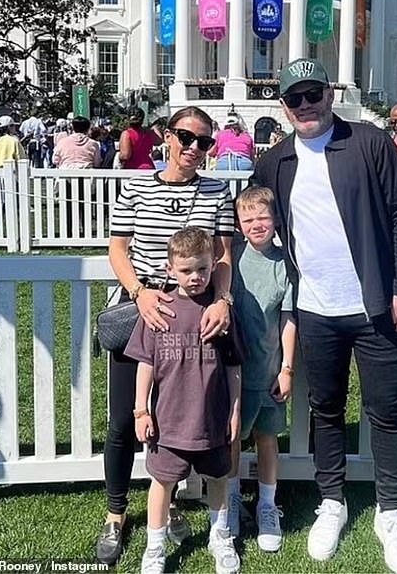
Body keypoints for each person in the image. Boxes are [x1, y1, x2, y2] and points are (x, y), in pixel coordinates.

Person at [252, 58, 397, 573]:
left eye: (314, 95)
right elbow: (254, 222)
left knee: (385, 410)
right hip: (315, 310)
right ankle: (333, 501)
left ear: (330, 94)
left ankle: (390, 512)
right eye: (295, 98)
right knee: (325, 408)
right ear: (284, 106)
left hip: (376, 306)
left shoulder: (369, 143)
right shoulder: (275, 162)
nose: (306, 106)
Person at [97, 106, 235, 566]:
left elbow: (222, 257)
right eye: (185, 137)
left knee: (183, 412)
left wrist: (222, 300)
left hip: (196, 313)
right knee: (125, 420)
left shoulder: (216, 190)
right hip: (146, 308)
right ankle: (116, 514)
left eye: (203, 142)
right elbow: (118, 247)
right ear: (166, 137)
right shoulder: (135, 185)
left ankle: (170, 500)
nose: (193, 148)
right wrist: (139, 293)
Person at [125, 227, 242, 574]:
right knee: (162, 483)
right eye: (187, 270)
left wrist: (234, 411)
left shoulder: (220, 313)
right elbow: (145, 363)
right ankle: (155, 547)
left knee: (218, 479)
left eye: (203, 269)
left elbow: (235, 366)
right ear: (169, 269)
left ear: (212, 266)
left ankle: (220, 537)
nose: (195, 277)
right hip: (168, 422)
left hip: (212, 418)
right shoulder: (159, 310)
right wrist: (141, 410)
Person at [227, 186, 296, 552]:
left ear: (275, 220)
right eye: (248, 219)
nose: (256, 224)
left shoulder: (286, 264)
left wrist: (286, 368)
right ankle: (233, 499)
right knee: (234, 438)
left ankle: (268, 505)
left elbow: (288, 319)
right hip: (235, 372)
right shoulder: (231, 260)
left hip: (269, 370)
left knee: (268, 439)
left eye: (263, 217)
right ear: (239, 223)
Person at [52, 116, 101, 237]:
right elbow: (97, 162)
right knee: (85, 207)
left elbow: (55, 160)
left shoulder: (62, 142)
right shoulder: (93, 144)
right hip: (85, 178)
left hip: (66, 177)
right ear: (88, 128)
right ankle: (86, 234)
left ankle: (67, 234)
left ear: (72, 127)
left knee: (67, 207)